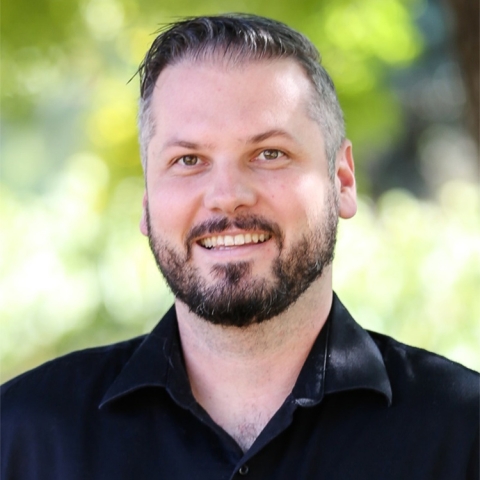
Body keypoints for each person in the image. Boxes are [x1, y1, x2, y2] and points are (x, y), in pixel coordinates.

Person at [1, 14, 478, 480]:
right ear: (147, 201)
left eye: (270, 154)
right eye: (189, 159)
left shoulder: (465, 433)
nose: (227, 194)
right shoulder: (22, 435)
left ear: (343, 180)